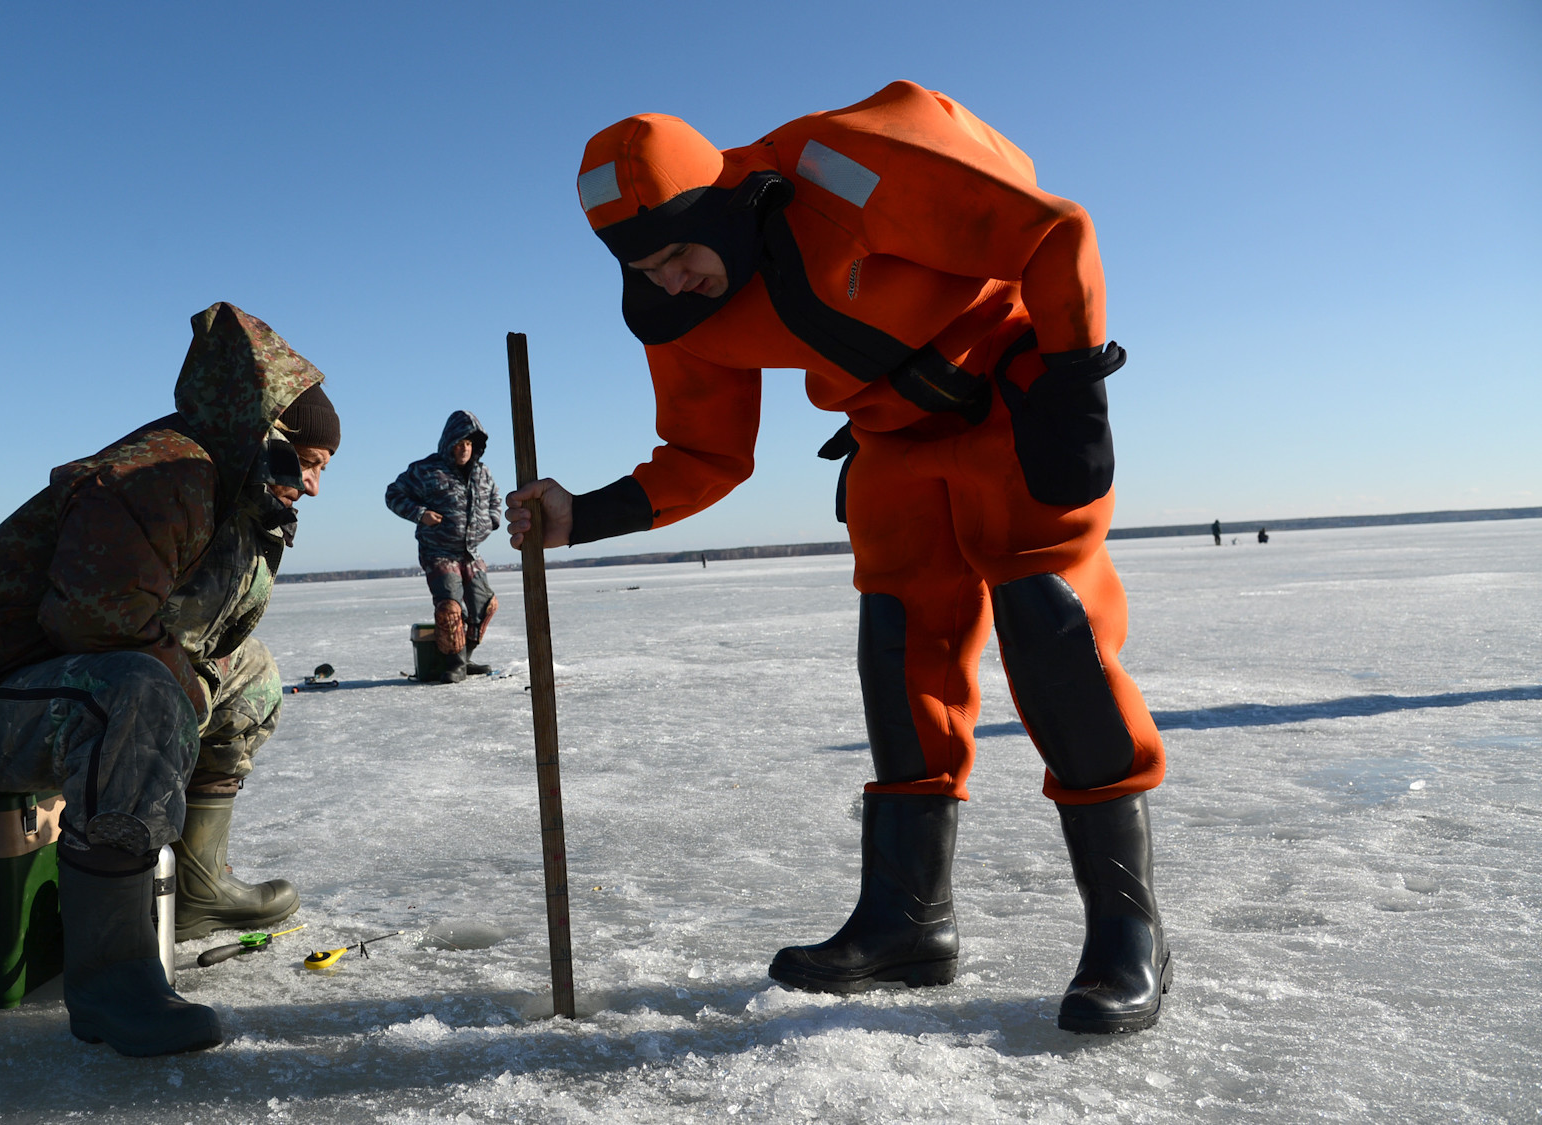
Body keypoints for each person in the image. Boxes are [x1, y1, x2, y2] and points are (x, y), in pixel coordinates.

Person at [509, 82, 1170, 1033]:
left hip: (1009, 399)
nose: (669, 281)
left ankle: (1127, 933)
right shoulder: (675, 309)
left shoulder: (840, 170)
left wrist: (1073, 385)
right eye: (643, 269)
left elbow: (1053, 234)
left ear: (723, 207)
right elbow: (705, 455)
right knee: (899, 656)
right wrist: (584, 514)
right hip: (889, 441)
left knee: (1053, 634)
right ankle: (909, 922)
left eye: (679, 256)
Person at [0, 302, 338, 1056]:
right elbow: (91, 619)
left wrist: (191, 670)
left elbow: (208, 631)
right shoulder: (161, 475)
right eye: (309, 463)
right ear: (266, 437)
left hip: (51, 680)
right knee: (142, 690)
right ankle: (112, 978)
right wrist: (172, 673)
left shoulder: (230, 491)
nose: (314, 487)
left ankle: (197, 886)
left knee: (250, 676)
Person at [386, 411, 501, 682]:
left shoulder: (482, 472)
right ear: (448, 443)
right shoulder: (426, 470)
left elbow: (495, 497)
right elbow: (393, 494)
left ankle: (465, 656)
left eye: (469, 444)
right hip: (438, 550)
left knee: (485, 605)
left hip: (471, 551)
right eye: (459, 443)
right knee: (450, 606)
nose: (464, 449)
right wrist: (420, 513)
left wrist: (493, 520)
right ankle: (454, 664)